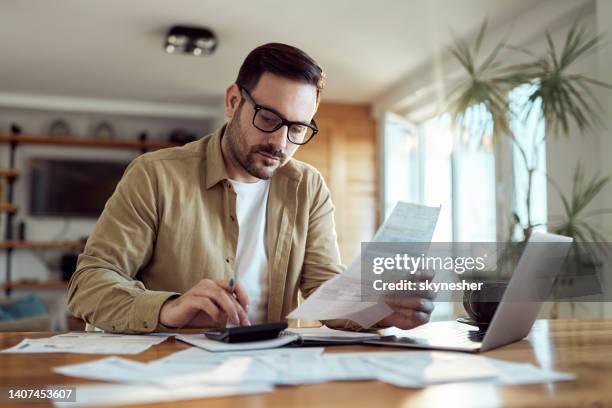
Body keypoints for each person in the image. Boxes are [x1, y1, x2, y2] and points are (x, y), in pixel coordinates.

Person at [67, 43, 434, 333]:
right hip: (174, 369)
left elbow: (325, 289)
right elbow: (89, 284)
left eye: (297, 129)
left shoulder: (308, 187)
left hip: (270, 372)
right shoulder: (154, 175)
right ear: (233, 102)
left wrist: (381, 309)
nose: (280, 142)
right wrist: (169, 307)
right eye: (269, 118)